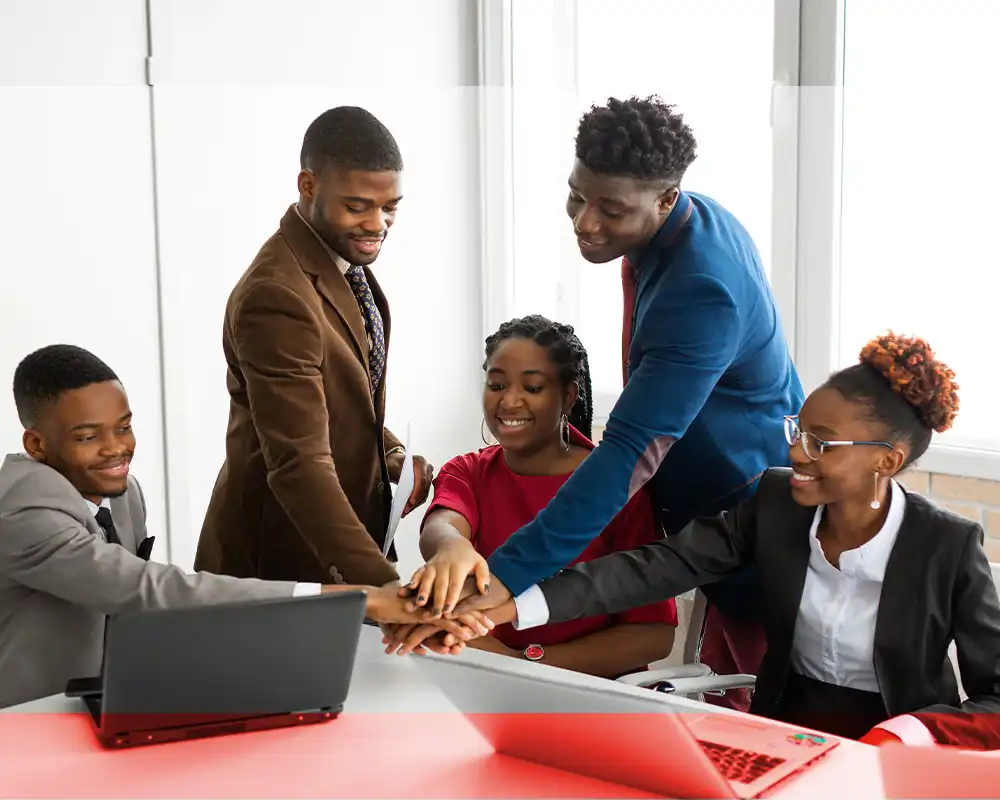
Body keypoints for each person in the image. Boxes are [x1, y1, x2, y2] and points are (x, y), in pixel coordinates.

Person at [404, 95, 804, 707]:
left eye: (611, 208)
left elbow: (625, 453)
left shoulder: (701, 288)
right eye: (577, 195)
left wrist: (508, 578)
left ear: (666, 199)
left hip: (751, 520)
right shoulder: (682, 221)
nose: (585, 222)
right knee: (728, 711)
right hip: (709, 513)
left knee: (776, 717)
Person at [417, 333, 1000, 749]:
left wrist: (915, 732)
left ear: (886, 461)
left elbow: (995, 698)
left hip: (894, 744)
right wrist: (514, 601)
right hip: (785, 735)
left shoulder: (946, 546)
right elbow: (657, 566)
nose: (795, 452)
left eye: (821, 444)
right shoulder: (774, 504)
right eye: (798, 431)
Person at [0, 345, 489, 709]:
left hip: (98, 709)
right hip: (23, 725)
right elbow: (149, 590)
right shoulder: (23, 512)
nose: (116, 448)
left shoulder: (123, 492)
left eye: (123, 427)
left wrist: (411, 609)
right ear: (37, 444)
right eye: (88, 437)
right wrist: (360, 599)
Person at [194, 106, 434, 589]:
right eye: (358, 206)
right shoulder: (276, 295)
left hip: (326, 550)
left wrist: (389, 452)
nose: (378, 224)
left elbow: (333, 397)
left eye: (391, 207)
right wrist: (384, 585)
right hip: (279, 561)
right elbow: (298, 464)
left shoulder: (339, 259)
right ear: (308, 186)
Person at [403, 316, 677, 678]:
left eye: (532, 387)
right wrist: (452, 547)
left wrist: (524, 663)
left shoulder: (618, 486)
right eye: (497, 384)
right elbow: (443, 524)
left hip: (592, 696)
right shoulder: (468, 470)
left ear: (568, 396)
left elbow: (653, 635)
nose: (509, 401)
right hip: (485, 685)